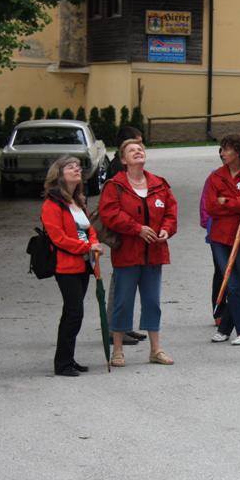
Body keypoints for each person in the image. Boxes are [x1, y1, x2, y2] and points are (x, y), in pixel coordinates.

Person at [98, 138, 178, 367]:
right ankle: (118, 350)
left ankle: (156, 349)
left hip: (154, 252)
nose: (138, 152)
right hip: (127, 253)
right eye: (132, 150)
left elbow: (171, 211)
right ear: (123, 160)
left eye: (140, 149)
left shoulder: (160, 184)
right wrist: (137, 229)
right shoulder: (115, 185)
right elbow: (109, 214)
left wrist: (166, 229)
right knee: (123, 301)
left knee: (152, 301)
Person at [41, 156, 103, 377]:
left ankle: (68, 358)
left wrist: (93, 243)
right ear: (58, 174)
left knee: (72, 313)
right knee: (74, 312)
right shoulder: (52, 203)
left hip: (83, 265)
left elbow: (88, 228)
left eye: (78, 166)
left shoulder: (77, 201)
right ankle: (62, 363)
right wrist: (86, 247)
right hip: (66, 266)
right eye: (70, 167)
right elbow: (58, 238)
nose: (77, 169)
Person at [205, 133, 240, 346]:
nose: (222, 153)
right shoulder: (216, 176)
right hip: (219, 238)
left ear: (238, 151)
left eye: (226, 149)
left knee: (237, 282)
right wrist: (236, 203)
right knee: (230, 281)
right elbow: (211, 206)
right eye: (221, 149)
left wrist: (226, 201)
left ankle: (226, 328)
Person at [103, 125, 147, 346]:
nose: (141, 147)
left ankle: (124, 326)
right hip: (123, 233)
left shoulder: (118, 166)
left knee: (126, 284)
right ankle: (114, 328)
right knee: (120, 284)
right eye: (137, 142)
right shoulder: (117, 171)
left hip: (130, 233)